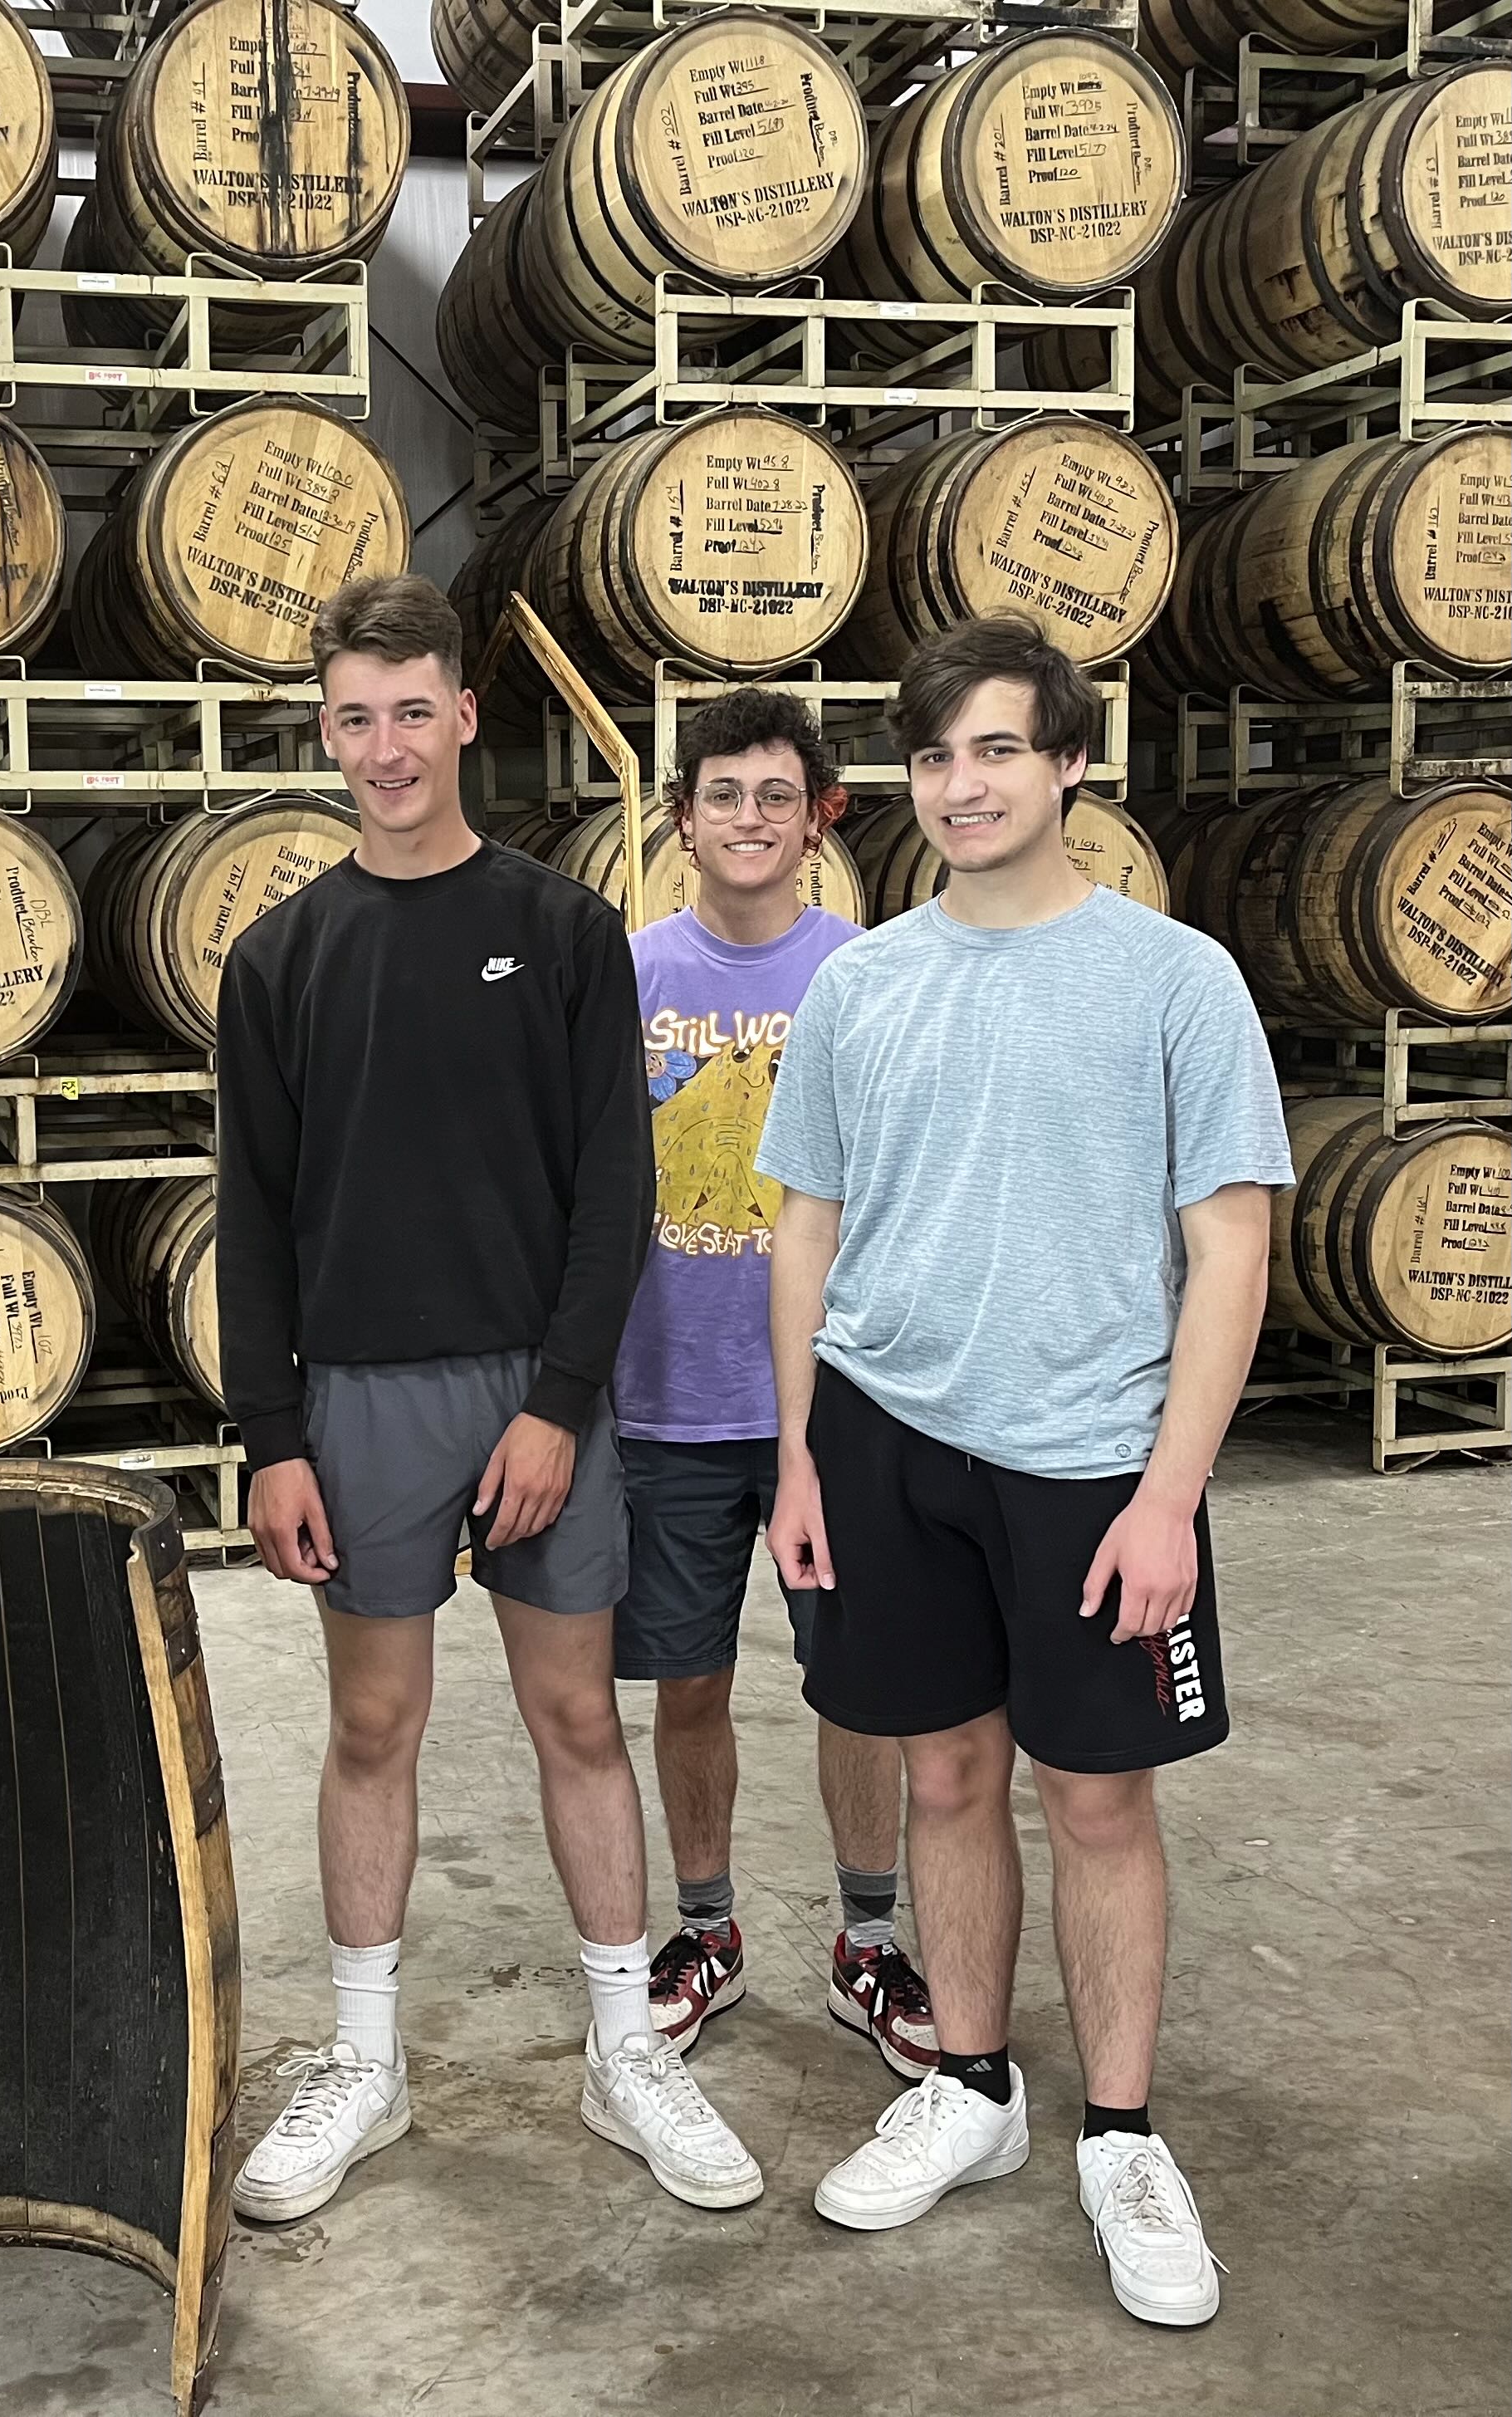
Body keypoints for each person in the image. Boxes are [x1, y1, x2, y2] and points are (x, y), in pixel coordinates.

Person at [756, 614, 1293, 2324]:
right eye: (934, 757)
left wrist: (1165, 1494)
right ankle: (974, 2089)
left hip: (1087, 1458)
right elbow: (803, 1230)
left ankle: (1120, 2136)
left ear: (1070, 763)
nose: (964, 784)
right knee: (937, 1782)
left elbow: (1230, 1249)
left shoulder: (1170, 977)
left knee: (1099, 1803)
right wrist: (796, 1456)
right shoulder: (860, 980)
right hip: (881, 1436)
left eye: (999, 749)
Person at [216, 575, 763, 2225]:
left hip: (533, 1399)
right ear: (328, 730)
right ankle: (365, 2065)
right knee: (371, 1727)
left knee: (577, 1722)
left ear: (465, 714)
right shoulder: (281, 955)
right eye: (354, 717)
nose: (385, 746)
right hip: (360, 1400)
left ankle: (623, 2049)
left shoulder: (566, 929)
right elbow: (251, 1212)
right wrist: (271, 1438)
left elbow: (612, 1194)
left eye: (411, 710)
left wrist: (556, 1405)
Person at [612, 689, 937, 2080]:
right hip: (667, 1399)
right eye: (723, 793)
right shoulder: (622, 975)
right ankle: (707, 1930)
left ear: (819, 820)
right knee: (687, 1685)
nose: (749, 817)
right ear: (680, 818)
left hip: (837, 1407)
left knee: (859, 1688)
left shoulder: (867, 975)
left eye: (776, 795)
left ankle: (869, 1938)